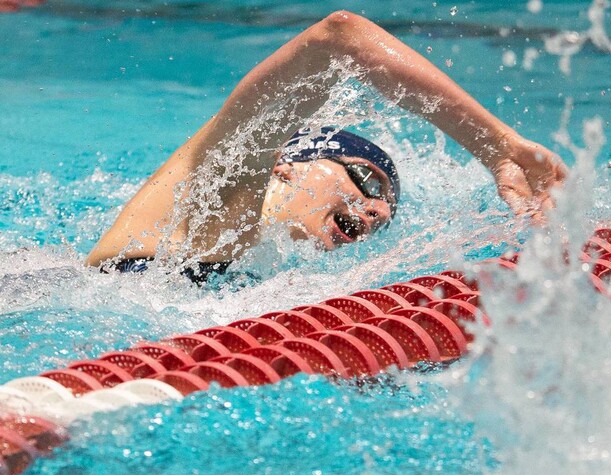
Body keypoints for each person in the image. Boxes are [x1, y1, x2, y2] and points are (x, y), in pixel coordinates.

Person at [86, 11, 568, 282]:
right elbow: (339, 37)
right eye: (364, 179)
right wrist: (497, 148)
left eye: (386, 210)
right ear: (285, 165)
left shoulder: (258, 268)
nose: (377, 210)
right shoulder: (218, 190)